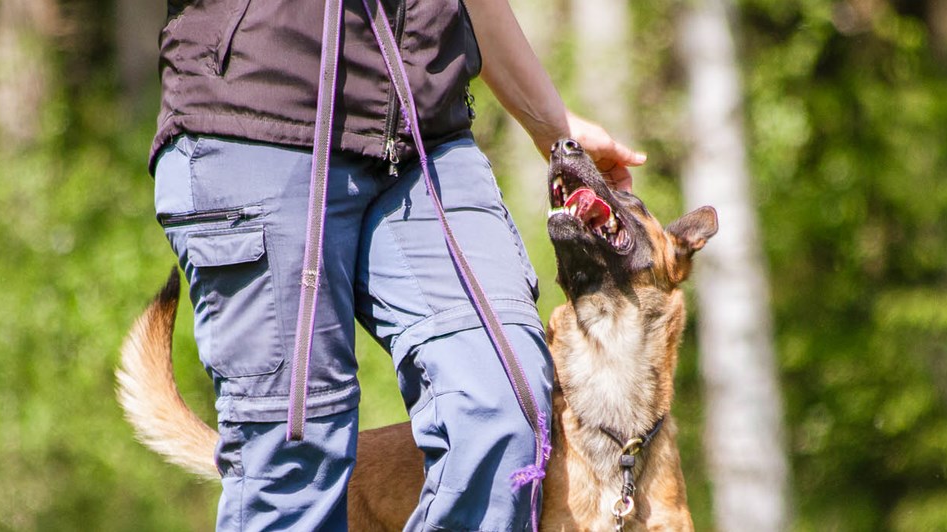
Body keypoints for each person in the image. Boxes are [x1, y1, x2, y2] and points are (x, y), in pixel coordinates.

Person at [150, 0, 642, 528]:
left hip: (424, 140)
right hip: (257, 121)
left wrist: (553, 125)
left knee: (502, 412)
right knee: (296, 462)